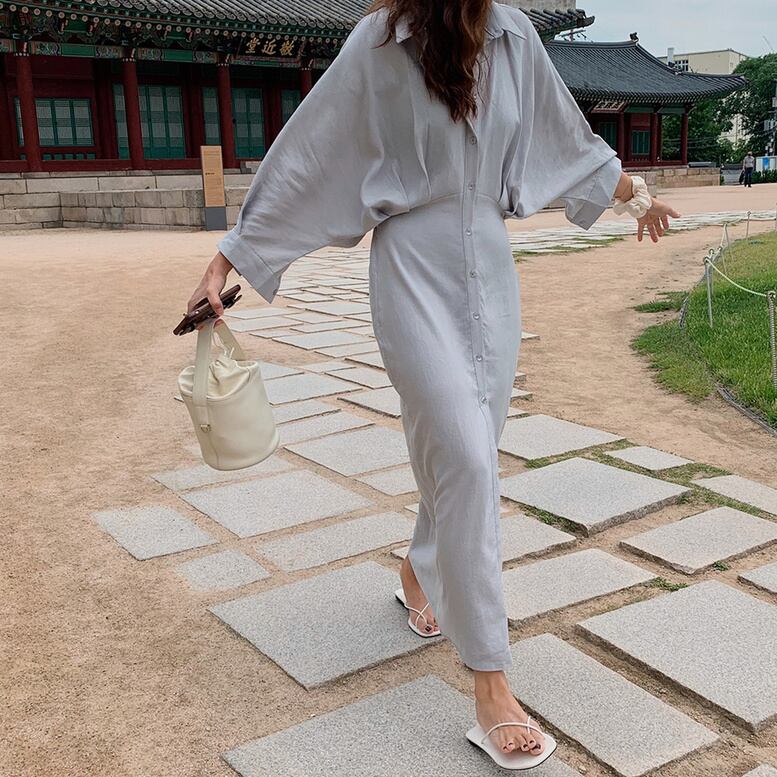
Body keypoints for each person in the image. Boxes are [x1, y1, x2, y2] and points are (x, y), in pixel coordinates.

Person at [187, 1, 679, 768]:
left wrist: (636, 196)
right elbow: (311, 149)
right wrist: (229, 257)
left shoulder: (513, 35)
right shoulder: (378, 41)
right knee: (467, 457)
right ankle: (491, 680)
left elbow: (560, 135)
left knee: (467, 447)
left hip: (491, 268)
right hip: (411, 265)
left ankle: (419, 565)